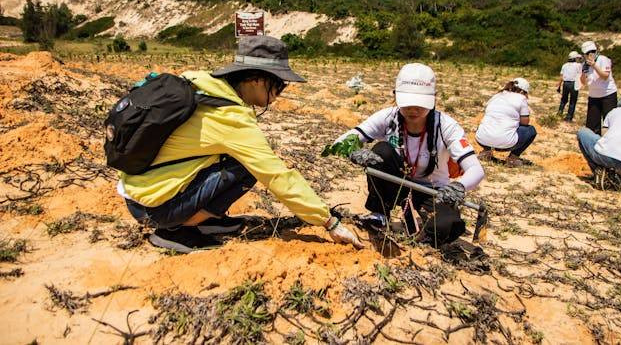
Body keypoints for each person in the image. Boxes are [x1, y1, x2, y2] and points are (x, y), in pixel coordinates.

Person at [117, 36, 363, 253]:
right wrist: (329, 222)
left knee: (235, 160)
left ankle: (203, 219)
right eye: (279, 84)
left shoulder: (201, 86)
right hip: (155, 210)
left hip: (139, 193)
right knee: (247, 167)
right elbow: (278, 176)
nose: (280, 92)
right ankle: (174, 231)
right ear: (256, 80)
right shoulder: (230, 117)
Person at [332, 63, 485, 245]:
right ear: (395, 96)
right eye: (408, 103)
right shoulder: (388, 118)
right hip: (396, 182)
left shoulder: (446, 126)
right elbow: (341, 142)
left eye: (420, 104)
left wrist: (459, 186)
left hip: (433, 190)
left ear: (434, 99)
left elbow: (476, 170)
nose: (414, 110)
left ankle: (427, 230)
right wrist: (352, 151)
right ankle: (379, 213)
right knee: (382, 150)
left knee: (446, 228)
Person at [577, 92, 621, 196]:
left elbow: (604, 136)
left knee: (582, 132)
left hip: (604, 156)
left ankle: (600, 171)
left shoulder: (615, 111)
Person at [475, 78, 537, 167]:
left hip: (481, 138)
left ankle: (486, 152)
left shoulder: (497, 95)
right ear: (523, 91)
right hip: (506, 144)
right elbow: (525, 122)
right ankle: (513, 158)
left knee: (487, 123)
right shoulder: (521, 98)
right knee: (531, 130)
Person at [580, 41, 618, 135]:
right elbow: (583, 82)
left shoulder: (603, 59)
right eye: (587, 53)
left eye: (591, 52)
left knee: (609, 121)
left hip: (608, 95)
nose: (590, 55)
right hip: (593, 96)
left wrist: (594, 65)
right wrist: (584, 72)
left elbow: (605, 76)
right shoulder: (584, 64)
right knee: (592, 124)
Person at [557, 50, 582, 122]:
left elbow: (561, 77)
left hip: (565, 84)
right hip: (573, 84)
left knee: (563, 99)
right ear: (575, 58)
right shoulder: (578, 65)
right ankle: (569, 117)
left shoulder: (564, 65)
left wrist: (559, 86)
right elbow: (580, 74)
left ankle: (560, 112)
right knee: (573, 101)